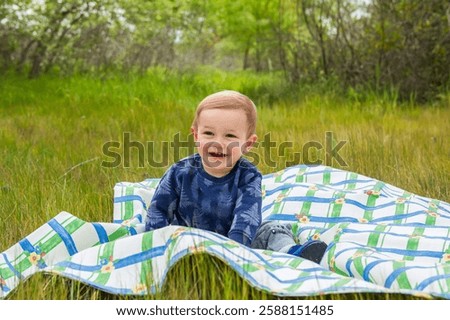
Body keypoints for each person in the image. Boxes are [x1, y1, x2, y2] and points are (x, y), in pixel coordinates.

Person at [145, 90, 327, 263]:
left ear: (248, 144)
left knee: (271, 230)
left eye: (230, 136)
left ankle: (292, 252)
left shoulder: (248, 176)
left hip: (238, 240)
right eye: (208, 133)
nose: (218, 142)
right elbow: (159, 209)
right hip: (188, 238)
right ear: (196, 135)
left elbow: (247, 216)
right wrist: (158, 244)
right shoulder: (180, 172)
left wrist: (233, 253)